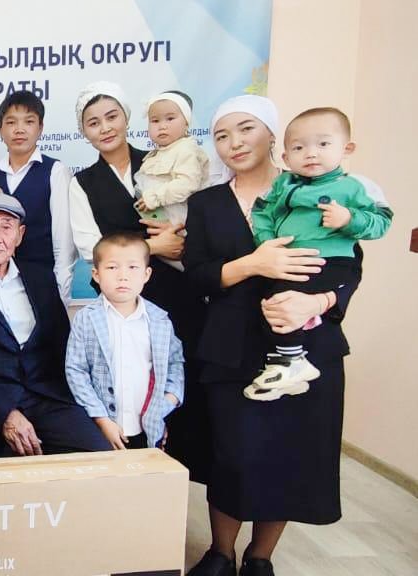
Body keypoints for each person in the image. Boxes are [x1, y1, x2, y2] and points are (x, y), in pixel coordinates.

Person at [183, 95, 368, 576]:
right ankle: (220, 552)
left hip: (306, 347)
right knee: (231, 454)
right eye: (221, 135)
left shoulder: (321, 191)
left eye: (246, 129)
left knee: (289, 455)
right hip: (230, 347)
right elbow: (197, 276)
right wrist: (252, 264)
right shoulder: (206, 203)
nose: (234, 142)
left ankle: (260, 557)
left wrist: (318, 303)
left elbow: (349, 268)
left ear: (272, 136)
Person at [68, 81, 208, 482]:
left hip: (177, 291)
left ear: (128, 118)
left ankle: (175, 485)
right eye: (93, 122)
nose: (105, 128)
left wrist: (178, 243)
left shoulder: (163, 159)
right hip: (121, 298)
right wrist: (151, 249)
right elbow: (89, 244)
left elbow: (195, 214)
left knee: (174, 378)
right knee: (126, 388)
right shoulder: (83, 182)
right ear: (84, 131)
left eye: (112, 117)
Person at [0, 193, 111, 461]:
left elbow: (61, 345)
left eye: (6, 227)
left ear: (20, 235)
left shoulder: (42, 278)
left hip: (44, 396)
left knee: (99, 456)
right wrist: (5, 412)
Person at [247, 107, 391, 399]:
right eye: (299, 148)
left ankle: (291, 361)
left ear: (347, 149)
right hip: (290, 260)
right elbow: (261, 212)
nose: (311, 153)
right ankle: (290, 365)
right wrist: (268, 242)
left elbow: (382, 221)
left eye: (323, 144)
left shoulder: (354, 186)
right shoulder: (283, 185)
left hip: (332, 261)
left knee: (283, 301)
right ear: (286, 157)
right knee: (271, 304)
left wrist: (349, 219)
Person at [65, 232, 184, 450]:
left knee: (146, 471)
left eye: (132, 267)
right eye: (112, 267)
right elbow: (76, 370)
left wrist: (167, 402)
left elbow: (175, 364)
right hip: (100, 427)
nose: (123, 276)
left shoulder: (160, 320)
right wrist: (101, 419)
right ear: (96, 274)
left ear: (146, 274)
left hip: (148, 428)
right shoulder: (86, 319)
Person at [0, 91, 76, 304]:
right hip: (3, 285)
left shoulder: (55, 171)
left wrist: (61, 293)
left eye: (29, 121)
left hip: (45, 281)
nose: (19, 129)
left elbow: (64, 242)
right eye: (11, 122)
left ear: (40, 128)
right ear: (0, 129)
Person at [133, 90, 210, 270]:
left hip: (181, 226)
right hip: (161, 227)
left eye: (170, 119)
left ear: (186, 122)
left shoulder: (187, 150)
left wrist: (155, 197)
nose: (162, 126)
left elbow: (188, 184)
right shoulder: (156, 154)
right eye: (155, 121)